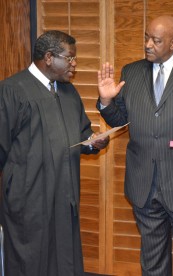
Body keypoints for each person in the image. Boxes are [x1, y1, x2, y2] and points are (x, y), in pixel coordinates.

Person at [97, 15, 173, 275]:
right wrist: (107, 102)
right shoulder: (130, 72)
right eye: (146, 37)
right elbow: (121, 121)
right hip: (144, 184)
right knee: (152, 262)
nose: (148, 45)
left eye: (156, 40)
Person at [0, 30, 109, 276]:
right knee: (31, 263)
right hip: (28, 201)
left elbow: (82, 134)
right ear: (49, 57)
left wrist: (93, 142)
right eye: (69, 58)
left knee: (64, 261)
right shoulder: (12, 91)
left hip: (64, 196)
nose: (74, 64)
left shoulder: (68, 92)